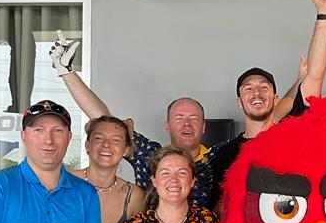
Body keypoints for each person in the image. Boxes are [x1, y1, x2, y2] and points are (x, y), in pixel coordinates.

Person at [203, 0, 326, 209]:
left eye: (264, 87)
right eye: (248, 88)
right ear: (239, 101)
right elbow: (218, 210)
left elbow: (315, 75)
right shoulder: (224, 154)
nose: (257, 92)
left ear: (275, 97)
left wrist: (324, 13)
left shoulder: (292, 133)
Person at [49, 34, 212, 204]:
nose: (187, 124)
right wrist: (66, 71)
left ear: (203, 127)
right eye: (179, 118)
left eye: (194, 118)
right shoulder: (150, 154)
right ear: (167, 126)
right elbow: (106, 122)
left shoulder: (220, 157)